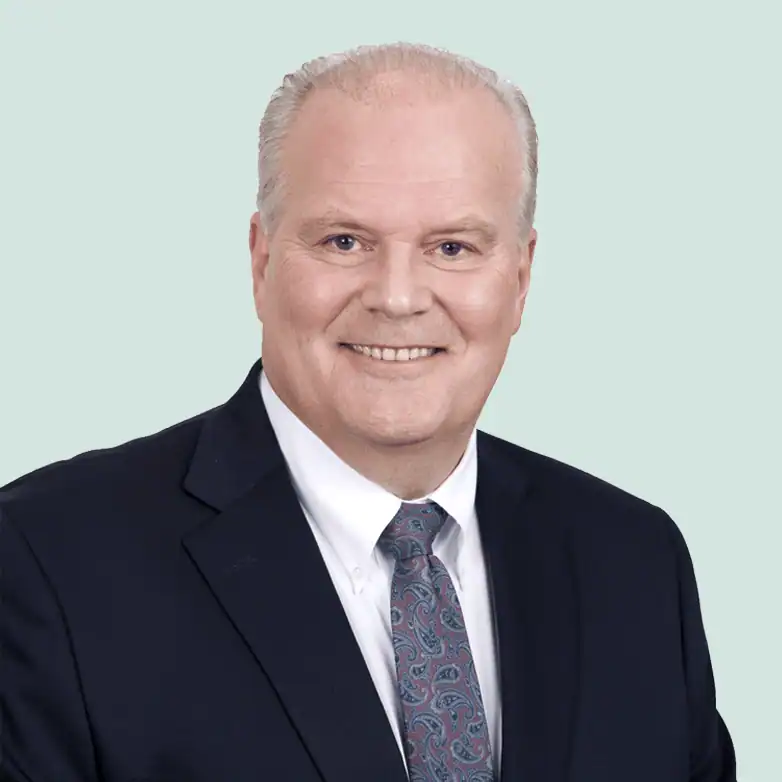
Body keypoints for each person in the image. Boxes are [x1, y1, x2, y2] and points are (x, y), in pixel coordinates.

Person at [0, 42, 736, 782]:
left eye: (453, 247)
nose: (397, 296)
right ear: (261, 261)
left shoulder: (634, 563)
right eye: (344, 241)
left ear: (520, 278)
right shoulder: (45, 562)